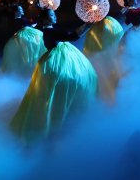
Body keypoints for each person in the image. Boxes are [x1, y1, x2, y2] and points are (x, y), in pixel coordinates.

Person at [10, 8, 97, 142]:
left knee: (69, 86)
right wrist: (87, 25)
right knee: (68, 85)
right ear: (45, 19)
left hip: (59, 59)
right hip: (58, 63)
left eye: (54, 14)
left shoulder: (49, 30)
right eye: (52, 15)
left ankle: (69, 116)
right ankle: (64, 121)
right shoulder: (50, 31)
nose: (55, 16)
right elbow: (71, 36)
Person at [0, 7, 47, 76]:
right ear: (16, 12)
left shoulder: (23, 19)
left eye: (22, 9)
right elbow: (18, 29)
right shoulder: (15, 21)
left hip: (26, 39)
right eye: (20, 10)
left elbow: (30, 25)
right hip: (22, 40)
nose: (22, 10)